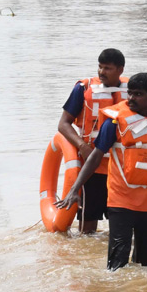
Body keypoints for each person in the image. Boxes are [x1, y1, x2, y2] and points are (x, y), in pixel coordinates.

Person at [58, 73, 147, 269]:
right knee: (117, 264)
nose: (131, 98)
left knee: (145, 263)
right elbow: (96, 156)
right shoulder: (113, 123)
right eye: (129, 93)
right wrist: (75, 189)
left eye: (138, 94)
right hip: (121, 200)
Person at [57, 49, 129, 234]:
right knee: (87, 227)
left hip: (122, 168)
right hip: (92, 168)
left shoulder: (133, 90)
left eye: (107, 68)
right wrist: (82, 146)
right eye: (100, 67)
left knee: (122, 222)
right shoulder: (83, 88)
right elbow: (63, 124)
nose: (101, 72)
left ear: (120, 70)